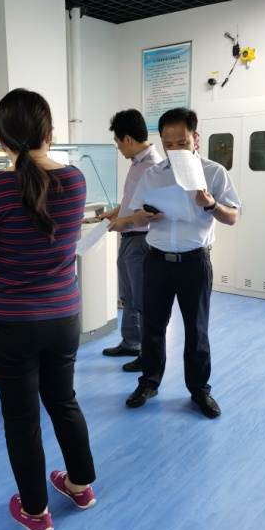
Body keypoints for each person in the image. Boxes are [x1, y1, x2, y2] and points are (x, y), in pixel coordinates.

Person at [0, 88, 96, 530]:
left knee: (22, 420)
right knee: (63, 400)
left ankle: (36, 511)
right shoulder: (75, 180)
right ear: (49, 133)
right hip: (63, 316)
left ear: (1, 139)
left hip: (10, 323)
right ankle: (79, 486)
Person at [126, 107, 240, 417]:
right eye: (168, 144)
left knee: (197, 328)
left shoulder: (214, 172)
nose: (175, 150)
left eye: (182, 142)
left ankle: (199, 389)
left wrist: (212, 204)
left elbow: (232, 216)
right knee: (152, 326)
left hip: (195, 262)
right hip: (157, 261)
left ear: (195, 138)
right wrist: (143, 216)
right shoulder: (151, 175)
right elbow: (134, 217)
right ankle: (149, 382)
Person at [99, 109, 161, 372]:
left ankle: (147, 354)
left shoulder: (152, 167)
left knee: (142, 300)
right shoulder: (137, 163)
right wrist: (116, 213)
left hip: (140, 240)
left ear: (127, 139)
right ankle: (131, 342)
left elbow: (151, 212)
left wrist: (122, 222)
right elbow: (132, 201)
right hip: (128, 239)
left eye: (117, 141)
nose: (118, 147)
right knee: (128, 296)